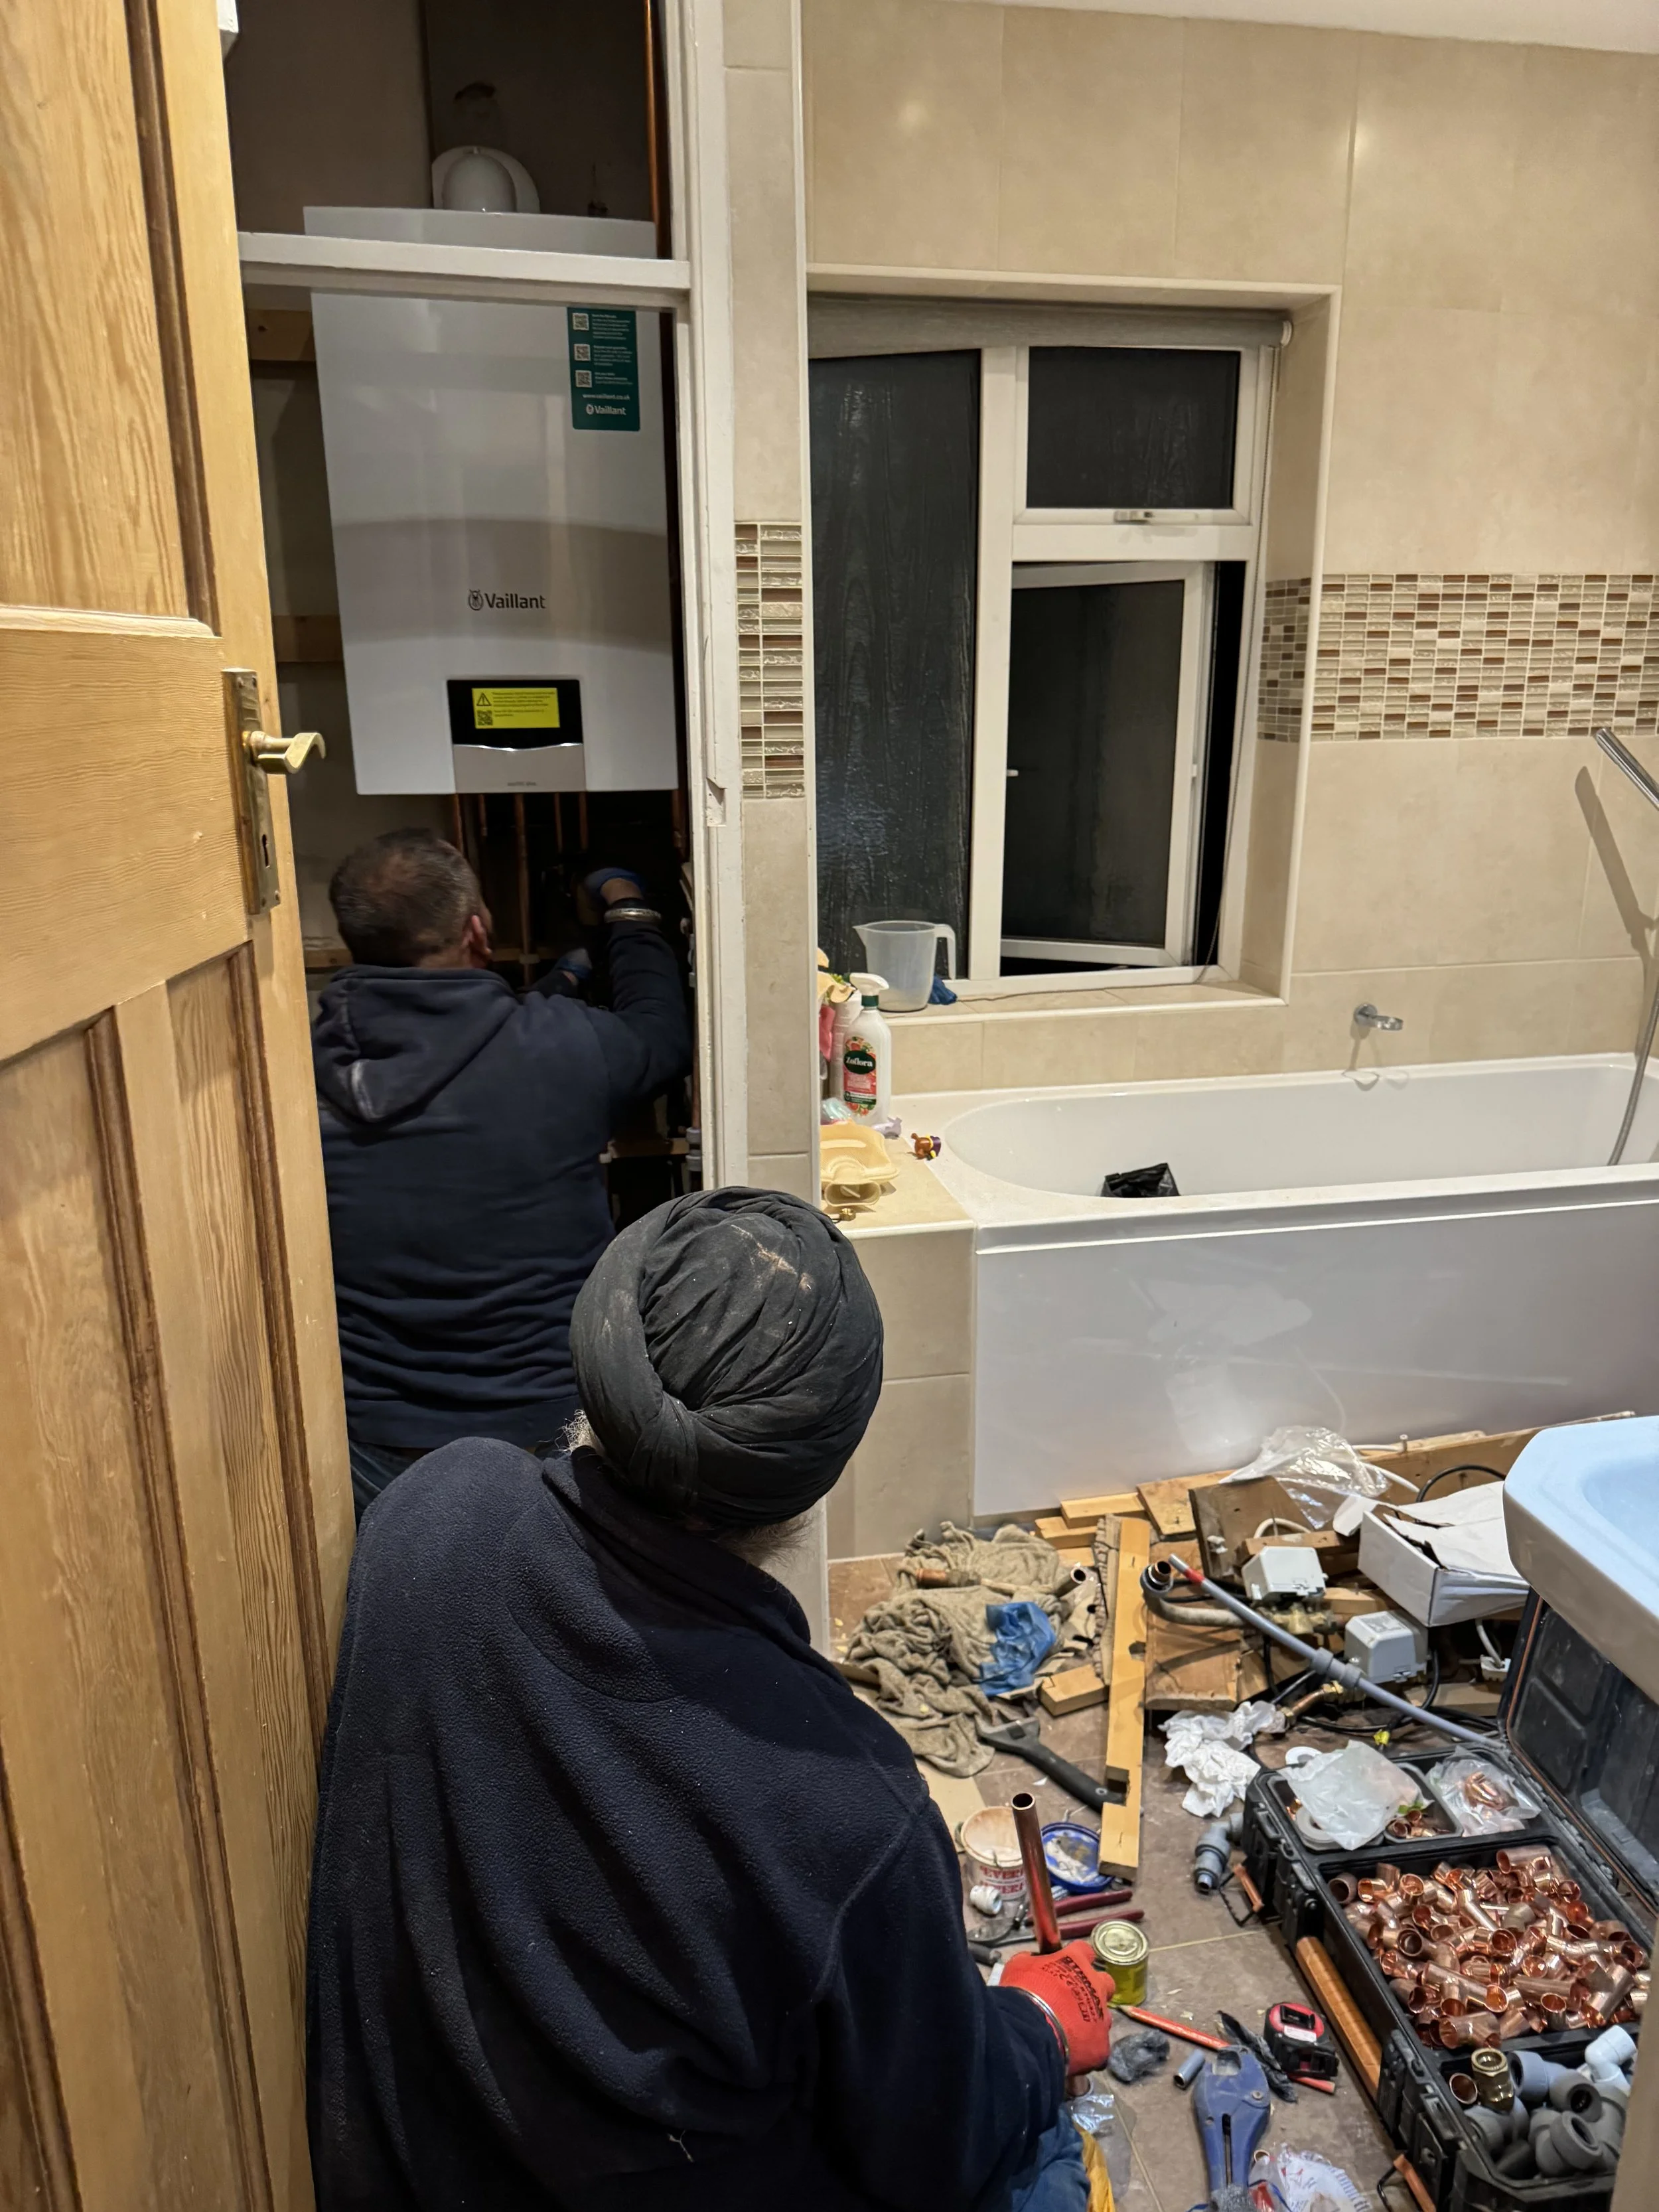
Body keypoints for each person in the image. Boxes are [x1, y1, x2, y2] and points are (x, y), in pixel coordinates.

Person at [305, 1189, 1110, 2211]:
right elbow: (934, 2149)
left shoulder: (433, 1514)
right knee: (1041, 2165)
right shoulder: (846, 1801)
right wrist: (1036, 2033)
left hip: (408, 2167)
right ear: (820, 1472)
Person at [313, 828, 689, 1519]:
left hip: (375, 1450)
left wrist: (565, 976)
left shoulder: (294, 1069)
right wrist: (624, 904)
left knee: (423, 1615)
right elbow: (660, 1029)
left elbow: (455, 1051)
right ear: (479, 931)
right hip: (548, 1430)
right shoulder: (564, 1049)